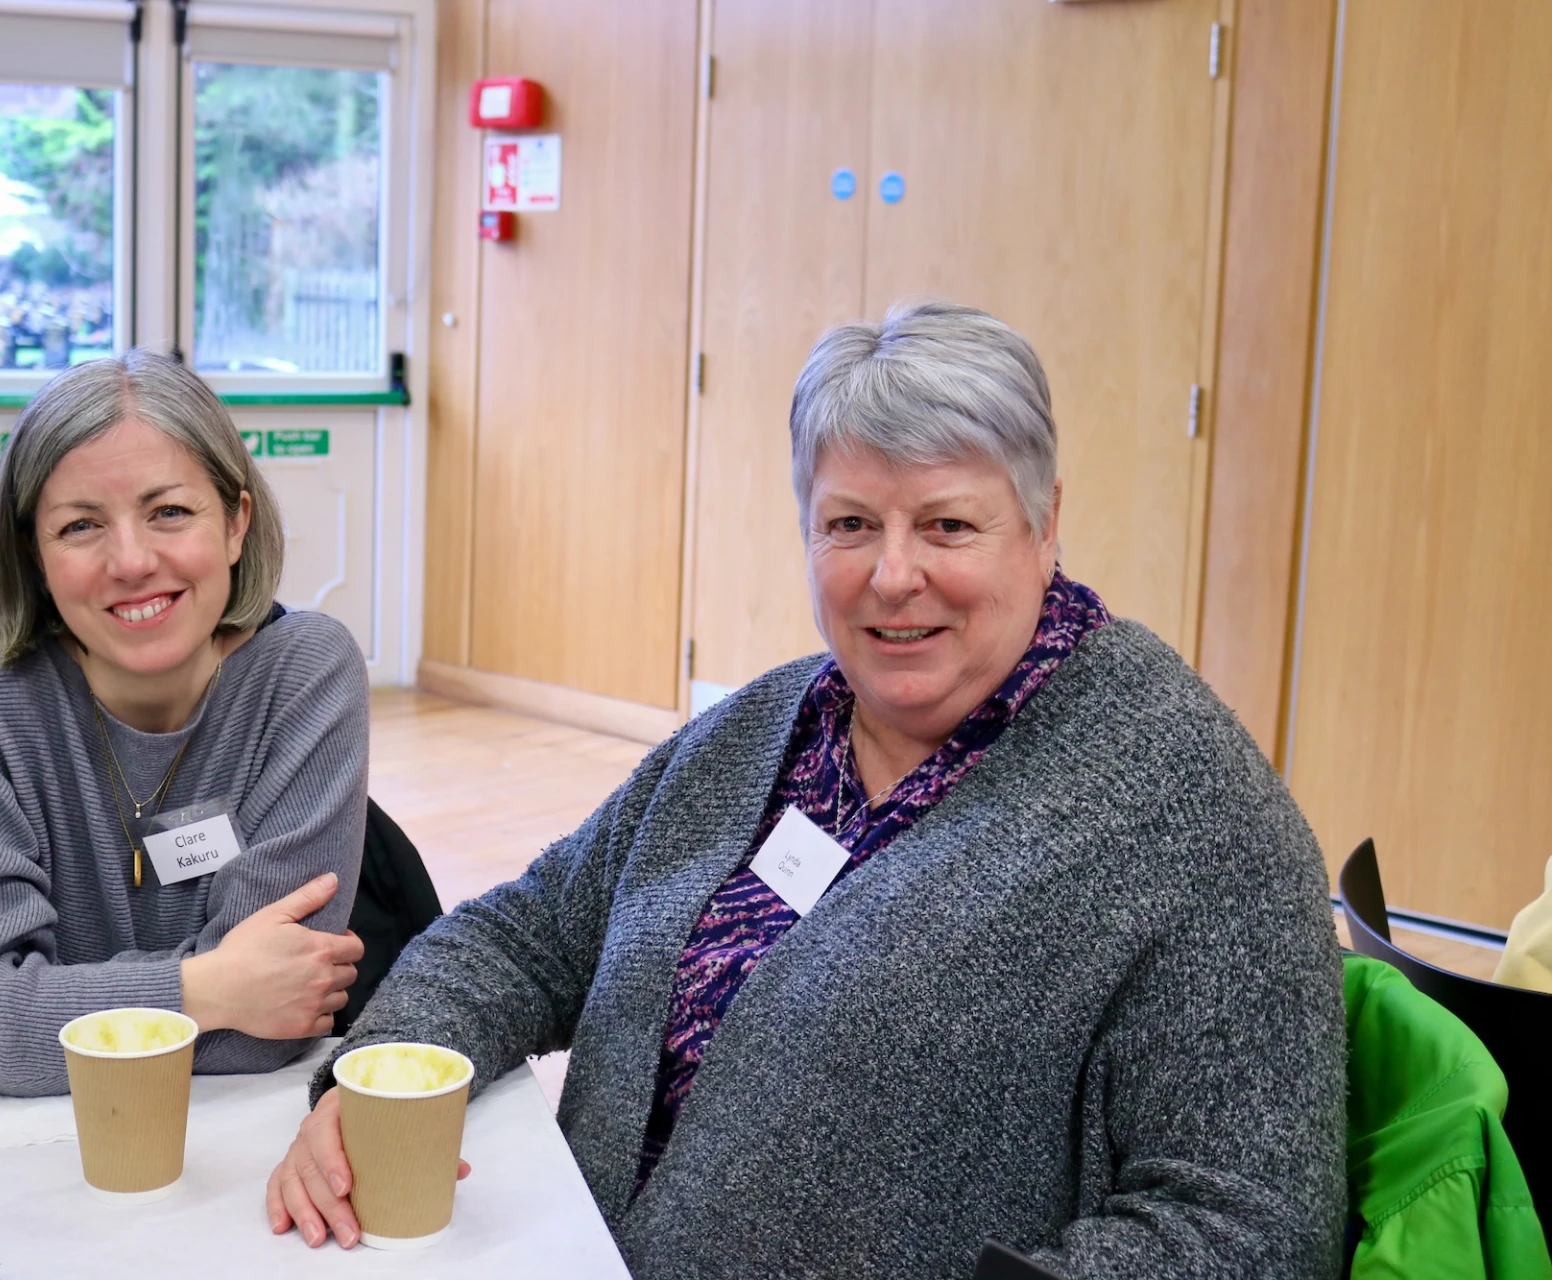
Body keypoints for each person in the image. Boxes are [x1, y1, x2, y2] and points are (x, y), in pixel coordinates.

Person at [267, 302, 1347, 1277]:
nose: (892, 575)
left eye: (948, 525)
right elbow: (532, 931)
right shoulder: (766, 727)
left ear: (1044, 520)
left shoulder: (1186, 808)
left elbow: (1249, 1226)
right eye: (849, 524)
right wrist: (377, 1080)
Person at [0, 349, 367, 1097]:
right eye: (80, 526)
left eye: (170, 512)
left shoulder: (305, 672)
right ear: (34, 555)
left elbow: (265, 1034)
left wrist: (30, 1020)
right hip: (10, 1152)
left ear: (236, 523)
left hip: (227, 1138)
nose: (131, 562)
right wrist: (204, 990)